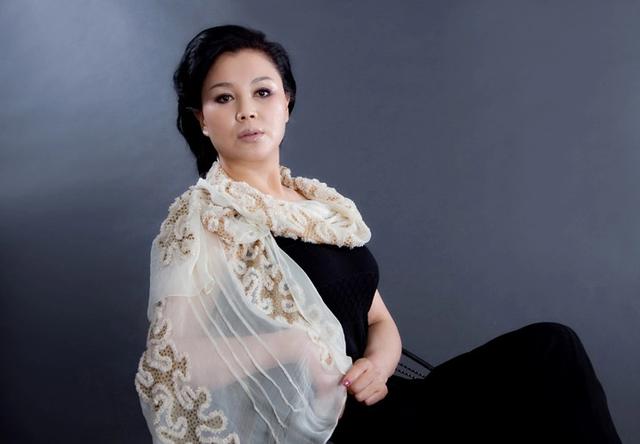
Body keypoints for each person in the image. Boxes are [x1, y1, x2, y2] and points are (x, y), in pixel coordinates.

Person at [134, 24, 622, 444]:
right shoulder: (204, 217)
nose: (247, 111)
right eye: (224, 98)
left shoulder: (320, 207)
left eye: (263, 92)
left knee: (551, 348)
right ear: (202, 119)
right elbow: (180, 361)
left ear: (287, 103)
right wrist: (293, 347)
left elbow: (379, 320)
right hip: (325, 425)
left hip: (384, 400)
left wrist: (380, 366)